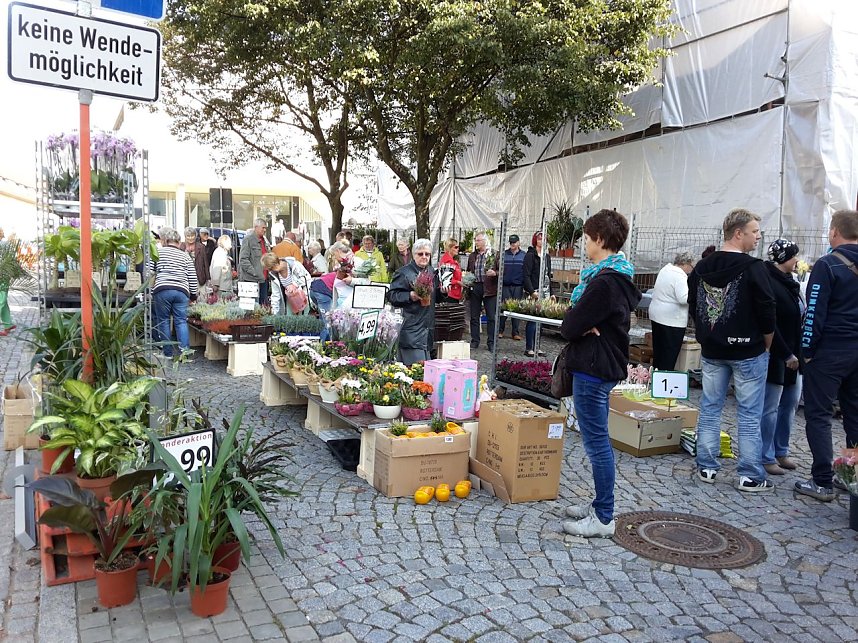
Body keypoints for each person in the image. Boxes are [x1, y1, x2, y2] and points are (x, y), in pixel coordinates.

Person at [559, 209, 640, 538]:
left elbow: (568, 326)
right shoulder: (615, 277)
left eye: (588, 239)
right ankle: (598, 504)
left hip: (594, 368)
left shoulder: (604, 283)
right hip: (600, 366)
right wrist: (579, 321)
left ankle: (604, 516)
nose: (585, 245)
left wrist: (577, 321)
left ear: (601, 240)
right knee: (597, 440)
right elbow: (577, 321)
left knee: (597, 444)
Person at [688, 208, 776, 492]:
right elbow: (766, 308)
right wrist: (767, 341)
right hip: (748, 350)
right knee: (749, 414)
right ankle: (750, 475)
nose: (758, 237)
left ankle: (706, 466)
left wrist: (705, 334)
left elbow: (693, 304)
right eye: (754, 232)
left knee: (710, 407)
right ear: (738, 233)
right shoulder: (754, 268)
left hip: (713, 349)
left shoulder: (702, 267)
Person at [796, 209, 858, 501]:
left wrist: (807, 351)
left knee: (818, 415)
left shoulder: (827, 264)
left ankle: (822, 481)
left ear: (834, 232)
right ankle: (851, 476)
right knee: (854, 416)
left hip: (830, 350)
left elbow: (814, 313)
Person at [760, 239, 803, 477]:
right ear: (783, 258)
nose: (797, 260)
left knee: (790, 404)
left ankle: (781, 450)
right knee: (770, 408)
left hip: (795, 354)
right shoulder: (769, 282)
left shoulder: (791, 282)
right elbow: (769, 323)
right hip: (777, 354)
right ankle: (765, 455)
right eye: (793, 255)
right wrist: (785, 353)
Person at [148, 227, 198, 357]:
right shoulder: (185, 256)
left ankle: (168, 353)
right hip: (181, 291)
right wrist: (193, 296)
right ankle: (184, 353)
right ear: (179, 241)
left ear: (165, 240)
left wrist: (150, 291)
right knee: (181, 321)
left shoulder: (158, 253)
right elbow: (192, 277)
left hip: (162, 290)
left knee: (164, 321)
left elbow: (149, 273)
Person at [388, 238, 435, 365]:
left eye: (427, 254)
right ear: (413, 255)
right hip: (411, 329)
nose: (424, 257)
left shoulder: (431, 271)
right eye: (420, 254)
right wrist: (410, 295)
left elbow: (435, 297)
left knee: (425, 370)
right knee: (415, 370)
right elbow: (392, 295)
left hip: (427, 330)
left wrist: (444, 292)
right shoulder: (403, 273)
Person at [648, 252, 695, 370]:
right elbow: (683, 298)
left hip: (657, 315)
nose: (691, 270)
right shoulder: (680, 276)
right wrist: (695, 294)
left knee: (659, 352)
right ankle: (665, 377)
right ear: (686, 263)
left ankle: (656, 376)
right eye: (691, 266)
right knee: (669, 356)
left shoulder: (665, 270)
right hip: (672, 320)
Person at [522, 231, 553, 357]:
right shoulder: (530, 256)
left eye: (544, 239)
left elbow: (548, 275)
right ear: (535, 241)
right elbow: (526, 275)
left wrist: (552, 293)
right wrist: (531, 291)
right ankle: (529, 347)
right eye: (540, 239)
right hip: (534, 290)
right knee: (533, 320)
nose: (542, 241)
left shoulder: (547, 256)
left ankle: (537, 346)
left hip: (545, 291)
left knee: (541, 320)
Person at [466, 232, 498, 352]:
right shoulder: (472, 256)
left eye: (478, 240)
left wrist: (495, 273)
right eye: (475, 240)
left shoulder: (494, 254)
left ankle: (491, 342)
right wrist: (467, 280)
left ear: (485, 241)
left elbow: (502, 270)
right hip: (476, 286)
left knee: (491, 317)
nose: (476, 242)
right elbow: (469, 270)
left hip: (489, 288)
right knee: (474, 316)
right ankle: (475, 340)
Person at [497, 234, 525, 340]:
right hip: (505, 285)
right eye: (511, 242)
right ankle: (500, 330)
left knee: (516, 309)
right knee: (504, 308)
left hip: (518, 285)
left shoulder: (524, 255)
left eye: (514, 242)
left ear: (518, 243)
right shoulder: (504, 254)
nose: (512, 244)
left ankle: (515, 332)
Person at [239, 218, 270, 304]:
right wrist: (254, 272)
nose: (265, 230)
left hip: (263, 280)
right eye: (263, 228)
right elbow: (243, 259)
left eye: (265, 228)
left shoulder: (264, 240)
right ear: (256, 227)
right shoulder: (248, 239)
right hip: (251, 280)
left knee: (263, 307)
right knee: (251, 307)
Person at [181, 227, 210, 291]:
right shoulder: (181, 246)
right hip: (185, 277)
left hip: (199, 276)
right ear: (185, 236)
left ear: (195, 236)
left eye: (192, 236)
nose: (190, 238)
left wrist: (208, 278)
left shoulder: (201, 247)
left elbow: (205, 263)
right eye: (188, 236)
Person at [437, 238, 463, 302]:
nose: (458, 249)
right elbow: (445, 279)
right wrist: (458, 282)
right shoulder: (447, 261)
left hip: (453, 293)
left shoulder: (451, 260)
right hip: (450, 294)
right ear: (449, 248)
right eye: (456, 247)